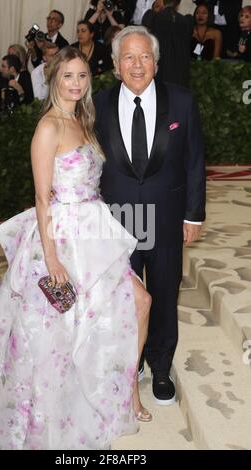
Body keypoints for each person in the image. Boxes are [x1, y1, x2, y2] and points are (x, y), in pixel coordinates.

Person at [0, 46, 152, 451]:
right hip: (62, 237)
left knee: (139, 301)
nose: (76, 84)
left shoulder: (81, 117)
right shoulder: (48, 127)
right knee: (57, 336)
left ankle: (122, 389)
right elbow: (43, 197)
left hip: (94, 230)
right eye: (68, 77)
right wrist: (52, 258)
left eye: (82, 76)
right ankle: (54, 418)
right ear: (54, 79)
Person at [94, 26, 206, 406]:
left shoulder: (182, 101)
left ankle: (160, 366)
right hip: (116, 220)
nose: (137, 64)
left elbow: (194, 162)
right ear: (114, 65)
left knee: (163, 292)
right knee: (122, 298)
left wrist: (193, 215)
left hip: (166, 216)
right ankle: (131, 361)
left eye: (144, 56)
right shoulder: (97, 104)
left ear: (156, 62)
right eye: (128, 57)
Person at [146, 0, 194, 88]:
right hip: (181, 71)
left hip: (161, 70)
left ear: (163, 2)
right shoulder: (186, 21)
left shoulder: (154, 19)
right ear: (178, 4)